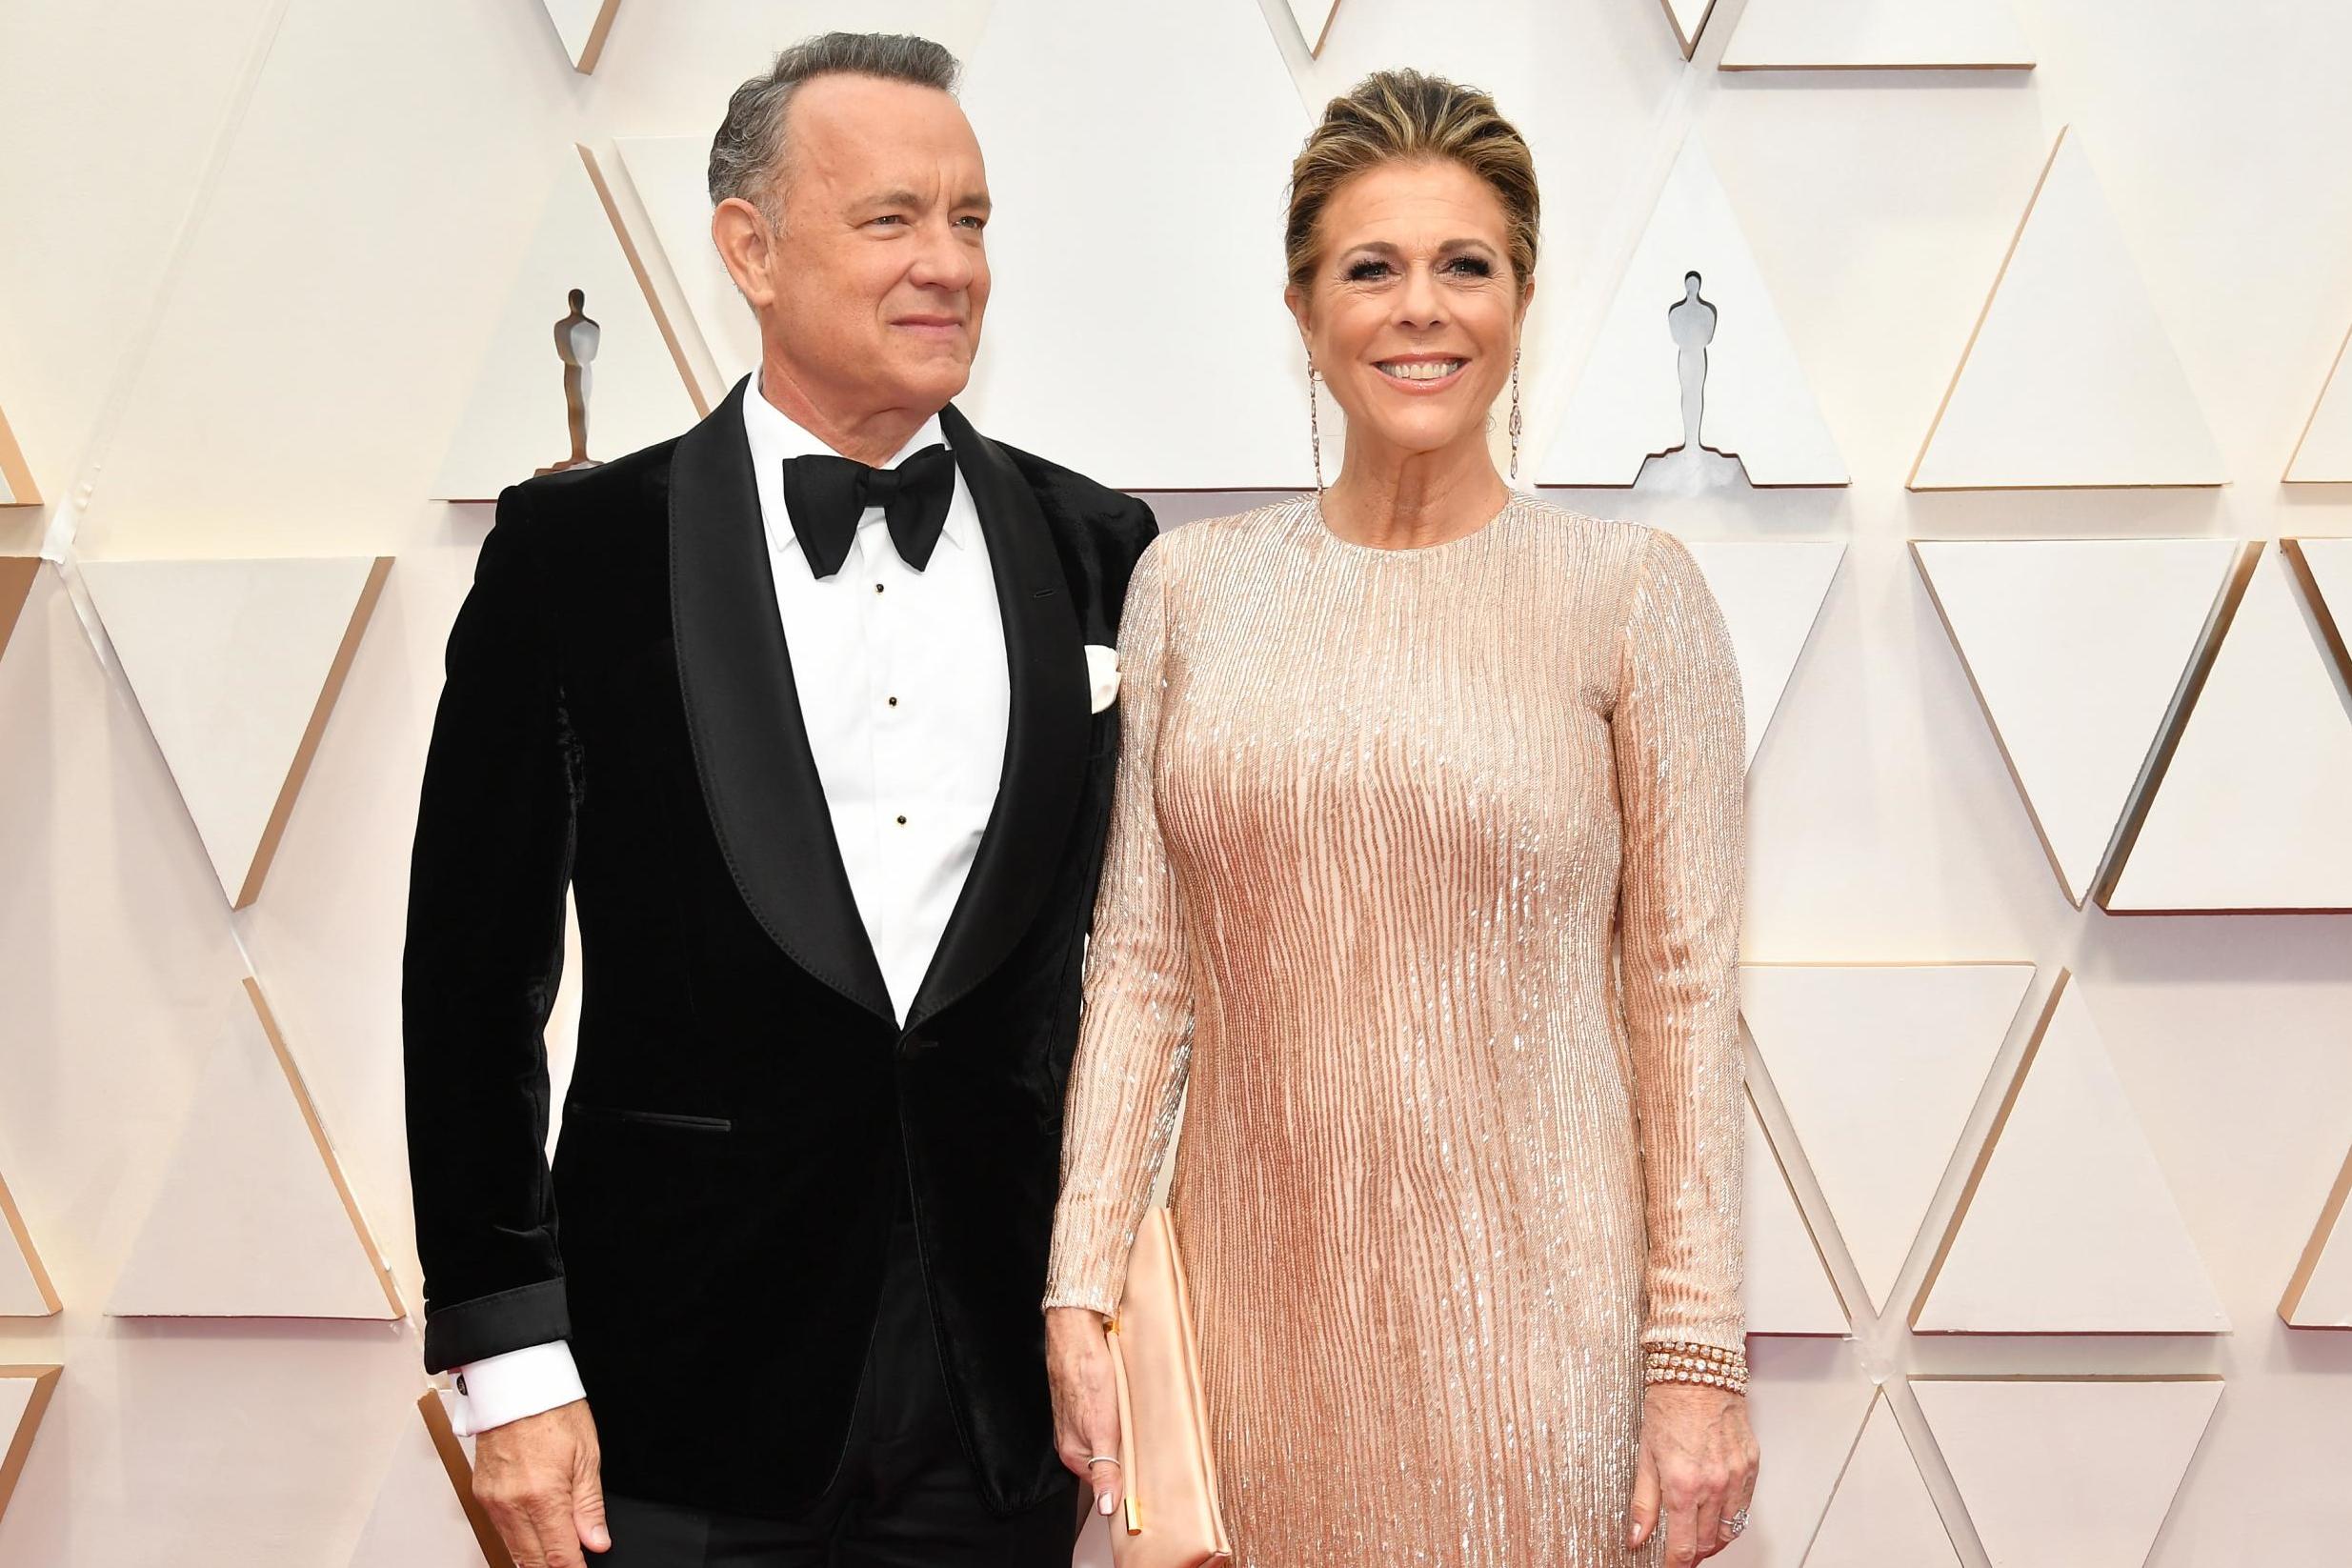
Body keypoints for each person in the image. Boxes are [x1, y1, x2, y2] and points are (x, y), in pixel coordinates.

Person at [403, 31, 1156, 1568]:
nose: (946, 263)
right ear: (749, 247)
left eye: (970, 220)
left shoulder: (1101, 548)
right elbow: (473, 980)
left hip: (1001, 1404)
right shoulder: (578, 556)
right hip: (672, 1394)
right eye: (890, 219)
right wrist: (512, 1362)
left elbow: (1149, 967)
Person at [1042, 70, 1759, 1567]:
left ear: (1521, 301)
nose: (1418, 308)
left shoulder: (1629, 598)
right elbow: (1142, 963)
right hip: (1247, 1347)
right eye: (1370, 267)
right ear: (1304, 313)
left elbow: (1680, 1000)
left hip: (1534, 1356)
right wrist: (1078, 1278)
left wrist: (1691, 1364)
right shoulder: (1188, 586)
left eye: (1464, 266)